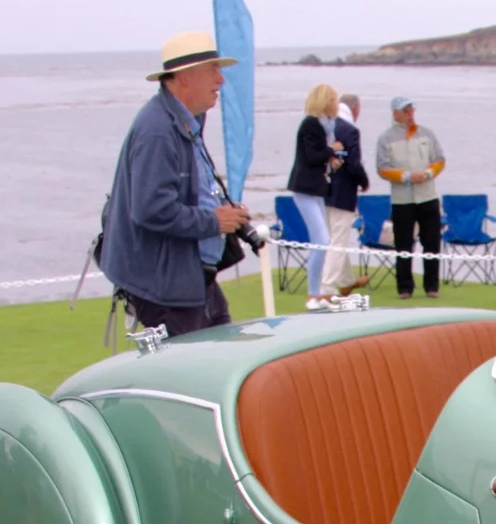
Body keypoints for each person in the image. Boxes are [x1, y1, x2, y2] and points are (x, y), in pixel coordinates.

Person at [100, 31, 252, 335]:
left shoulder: (183, 121)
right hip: (165, 285)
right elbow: (150, 209)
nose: (221, 80)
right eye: (213, 70)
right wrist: (213, 221)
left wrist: (222, 212)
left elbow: (185, 192)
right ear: (185, 77)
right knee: (194, 373)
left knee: (220, 352)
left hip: (189, 276)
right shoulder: (158, 130)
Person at [375, 95, 446, 299]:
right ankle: (405, 288)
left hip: (427, 196)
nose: (410, 114)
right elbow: (382, 168)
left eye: (411, 110)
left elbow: (439, 160)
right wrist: (405, 176)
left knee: (432, 242)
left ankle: (432, 286)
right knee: (404, 244)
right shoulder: (386, 138)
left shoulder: (427, 134)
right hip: (402, 199)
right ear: (395, 113)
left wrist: (428, 173)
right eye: (405, 111)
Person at [287, 83, 344, 310]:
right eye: (333, 100)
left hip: (317, 189)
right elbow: (312, 155)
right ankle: (313, 294)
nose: (336, 105)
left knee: (321, 240)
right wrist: (332, 151)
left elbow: (318, 154)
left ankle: (318, 292)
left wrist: (331, 158)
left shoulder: (325, 127)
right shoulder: (311, 124)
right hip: (305, 189)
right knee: (320, 240)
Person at [322, 93, 371, 298]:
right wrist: (364, 181)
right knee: (339, 240)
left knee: (331, 237)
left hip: (322, 190)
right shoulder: (350, 130)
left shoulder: (324, 125)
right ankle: (326, 287)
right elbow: (353, 163)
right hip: (342, 193)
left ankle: (346, 281)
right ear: (355, 109)